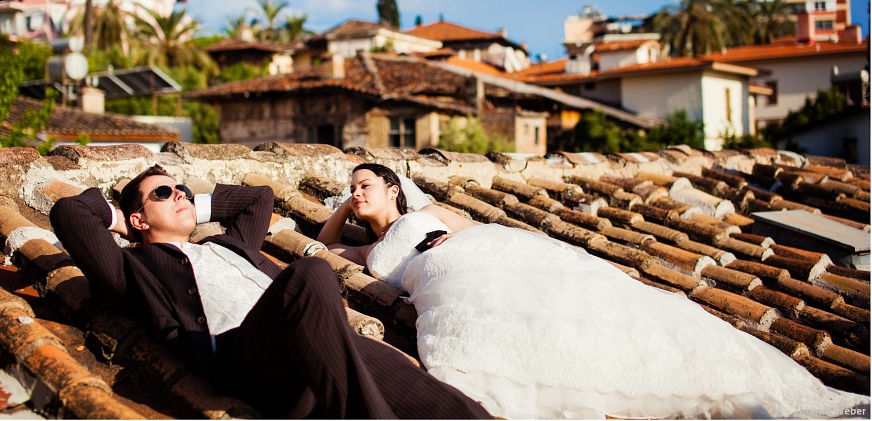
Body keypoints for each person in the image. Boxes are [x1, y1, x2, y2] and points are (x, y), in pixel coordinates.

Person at [319, 163, 871, 420]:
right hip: (437, 279)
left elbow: (479, 232)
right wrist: (343, 208)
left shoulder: (430, 212)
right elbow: (322, 250)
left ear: (394, 187)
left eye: (364, 184)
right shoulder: (371, 249)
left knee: (581, 302)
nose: (356, 192)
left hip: (476, 252)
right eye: (350, 188)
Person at [50, 164, 490, 420]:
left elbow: (257, 197)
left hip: (323, 341)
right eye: (164, 193)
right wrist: (121, 218)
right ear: (139, 220)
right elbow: (69, 212)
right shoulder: (134, 269)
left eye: (182, 189)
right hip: (249, 358)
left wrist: (184, 203)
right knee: (311, 273)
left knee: (453, 406)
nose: (180, 194)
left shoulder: (228, 243)